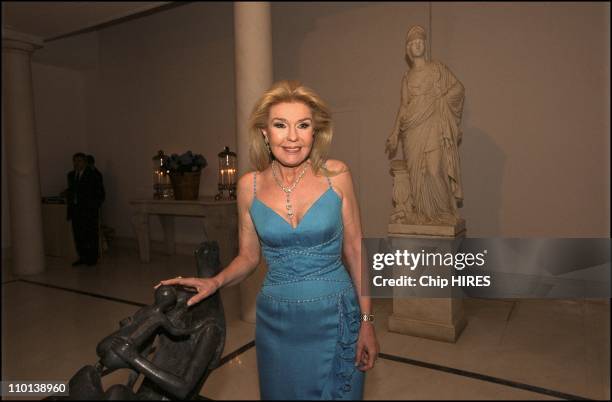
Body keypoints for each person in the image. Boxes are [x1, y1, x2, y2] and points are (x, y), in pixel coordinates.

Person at [157, 80, 379, 399]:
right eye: (280, 125)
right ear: (265, 132)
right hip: (277, 322)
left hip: (336, 316)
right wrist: (216, 281)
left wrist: (367, 321)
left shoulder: (337, 175)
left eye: (303, 125)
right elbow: (249, 256)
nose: (292, 137)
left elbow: (357, 248)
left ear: (315, 132)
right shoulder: (250, 187)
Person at [385, 25, 465, 225]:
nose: (417, 45)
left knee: (434, 170)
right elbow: (404, 106)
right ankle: (424, 214)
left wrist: (443, 98)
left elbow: (459, 88)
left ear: (425, 46)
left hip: (433, 125)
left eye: (420, 41)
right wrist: (395, 132)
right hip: (412, 130)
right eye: (412, 43)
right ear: (408, 50)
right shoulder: (407, 77)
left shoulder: (437, 68)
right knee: (417, 175)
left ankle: (444, 213)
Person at [66, 152, 104, 266]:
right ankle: (82, 257)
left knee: (90, 235)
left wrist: (93, 207)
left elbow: (100, 193)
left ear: (85, 162)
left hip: (89, 211)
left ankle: (92, 259)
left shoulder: (93, 175)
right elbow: (72, 191)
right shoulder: (71, 175)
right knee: (78, 235)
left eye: (80, 161)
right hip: (76, 211)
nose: (77, 163)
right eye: (75, 161)